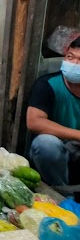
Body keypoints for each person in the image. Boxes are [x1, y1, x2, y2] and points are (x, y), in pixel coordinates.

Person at [27, 36, 80, 188]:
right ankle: (61, 191)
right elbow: (34, 121)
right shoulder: (48, 84)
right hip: (59, 150)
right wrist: (77, 135)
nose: (74, 64)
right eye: (70, 57)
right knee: (45, 143)